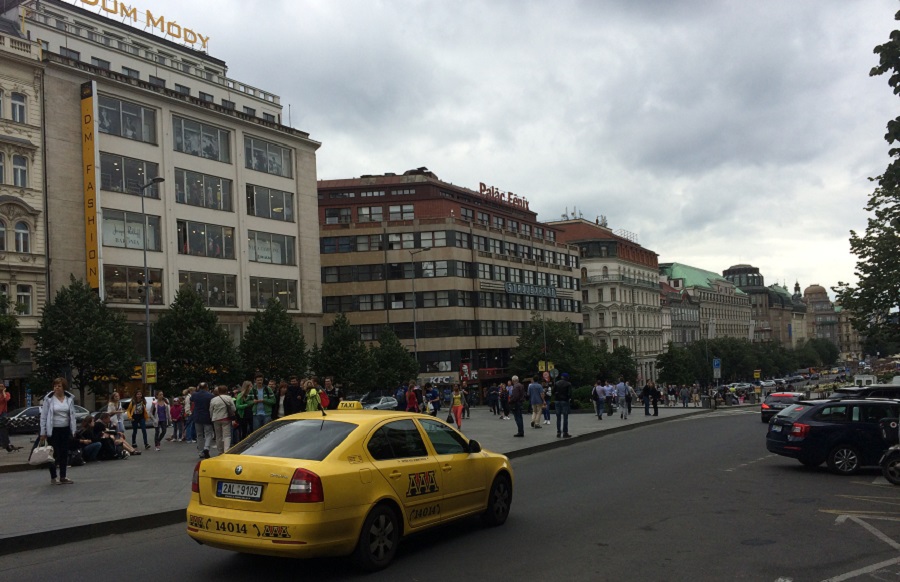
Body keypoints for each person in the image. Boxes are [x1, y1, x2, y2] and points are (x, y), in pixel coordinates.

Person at [39, 377, 77, 484]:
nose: (56, 388)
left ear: (64, 387)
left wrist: (73, 430)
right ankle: (53, 477)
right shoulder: (49, 399)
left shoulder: (69, 398)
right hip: (53, 430)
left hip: (65, 429)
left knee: (64, 453)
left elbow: (72, 415)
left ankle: (63, 476)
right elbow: (44, 416)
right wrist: (43, 432)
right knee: (54, 453)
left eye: (59, 386)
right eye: (55, 386)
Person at [210, 385, 236, 456]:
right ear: (226, 391)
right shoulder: (229, 398)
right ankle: (226, 450)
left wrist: (211, 417)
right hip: (226, 418)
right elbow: (233, 409)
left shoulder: (213, 399)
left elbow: (211, 410)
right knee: (227, 435)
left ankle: (220, 450)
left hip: (216, 419)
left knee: (218, 435)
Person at [192, 382, 215, 459]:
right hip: (207, 417)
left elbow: (191, 400)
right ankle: (206, 448)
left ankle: (200, 452)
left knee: (199, 435)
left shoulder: (195, 395)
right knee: (208, 434)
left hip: (197, 417)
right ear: (206, 387)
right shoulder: (210, 396)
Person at [0, 382, 18, 453]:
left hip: (3, 412)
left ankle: (6, 443)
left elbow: (6, 399)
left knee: (3, 428)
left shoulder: (7, 393)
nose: (1, 387)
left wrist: (4, 392)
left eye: (2, 386)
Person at [554, 372, 573, 438]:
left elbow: (554, 391)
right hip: (565, 401)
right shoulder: (568, 384)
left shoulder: (556, 383)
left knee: (558, 417)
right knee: (565, 417)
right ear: (567, 377)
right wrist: (568, 398)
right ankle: (565, 432)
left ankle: (558, 432)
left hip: (557, 401)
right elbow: (570, 393)